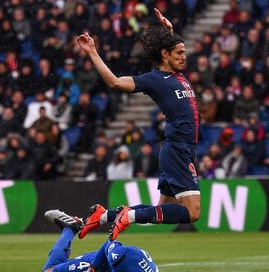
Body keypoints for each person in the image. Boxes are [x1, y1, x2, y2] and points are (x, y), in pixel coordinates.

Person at [76, 8, 201, 241]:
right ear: (166, 54)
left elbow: (169, 47)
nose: (184, 57)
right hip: (177, 149)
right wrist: (92, 51)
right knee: (192, 212)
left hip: (179, 148)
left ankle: (103, 216)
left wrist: (169, 30)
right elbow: (113, 82)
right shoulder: (154, 80)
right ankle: (127, 217)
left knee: (162, 208)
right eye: (180, 53)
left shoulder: (174, 71)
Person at [42, 210, 160, 272]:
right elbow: (107, 245)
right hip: (102, 262)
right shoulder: (120, 257)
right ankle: (71, 227)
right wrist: (92, 270)